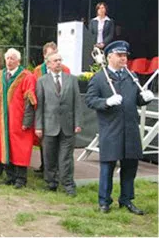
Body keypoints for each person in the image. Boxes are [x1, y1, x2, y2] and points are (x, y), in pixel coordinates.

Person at [85, 40, 154, 214]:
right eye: (120, 55)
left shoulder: (131, 76)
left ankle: (127, 200)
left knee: (130, 167)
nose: (124, 58)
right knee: (107, 167)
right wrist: (106, 102)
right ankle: (104, 201)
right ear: (109, 57)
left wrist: (144, 98)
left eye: (125, 56)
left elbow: (136, 99)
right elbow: (90, 100)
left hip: (130, 129)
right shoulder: (100, 78)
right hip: (111, 129)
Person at [35, 52, 82, 196]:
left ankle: (68, 184)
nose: (58, 63)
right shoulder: (42, 81)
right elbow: (40, 106)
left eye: (60, 60)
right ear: (48, 63)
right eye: (55, 60)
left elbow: (77, 103)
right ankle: (51, 182)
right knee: (49, 156)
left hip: (68, 125)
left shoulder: (71, 80)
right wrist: (38, 126)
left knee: (66, 157)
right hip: (49, 125)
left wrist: (78, 123)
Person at [0, 48, 36, 189]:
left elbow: (30, 100)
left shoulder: (26, 76)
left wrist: (27, 121)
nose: (9, 61)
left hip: (19, 119)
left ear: (18, 60)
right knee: (6, 147)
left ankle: (21, 179)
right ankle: (9, 176)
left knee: (20, 149)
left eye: (12, 58)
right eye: (8, 58)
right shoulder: (1, 75)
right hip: (3, 120)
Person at [32, 41, 71, 173]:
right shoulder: (38, 71)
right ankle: (45, 166)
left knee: (61, 142)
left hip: (60, 110)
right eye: (50, 54)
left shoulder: (65, 69)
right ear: (44, 56)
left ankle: (60, 169)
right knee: (45, 141)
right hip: (45, 109)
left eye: (55, 53)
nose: (54, 57)